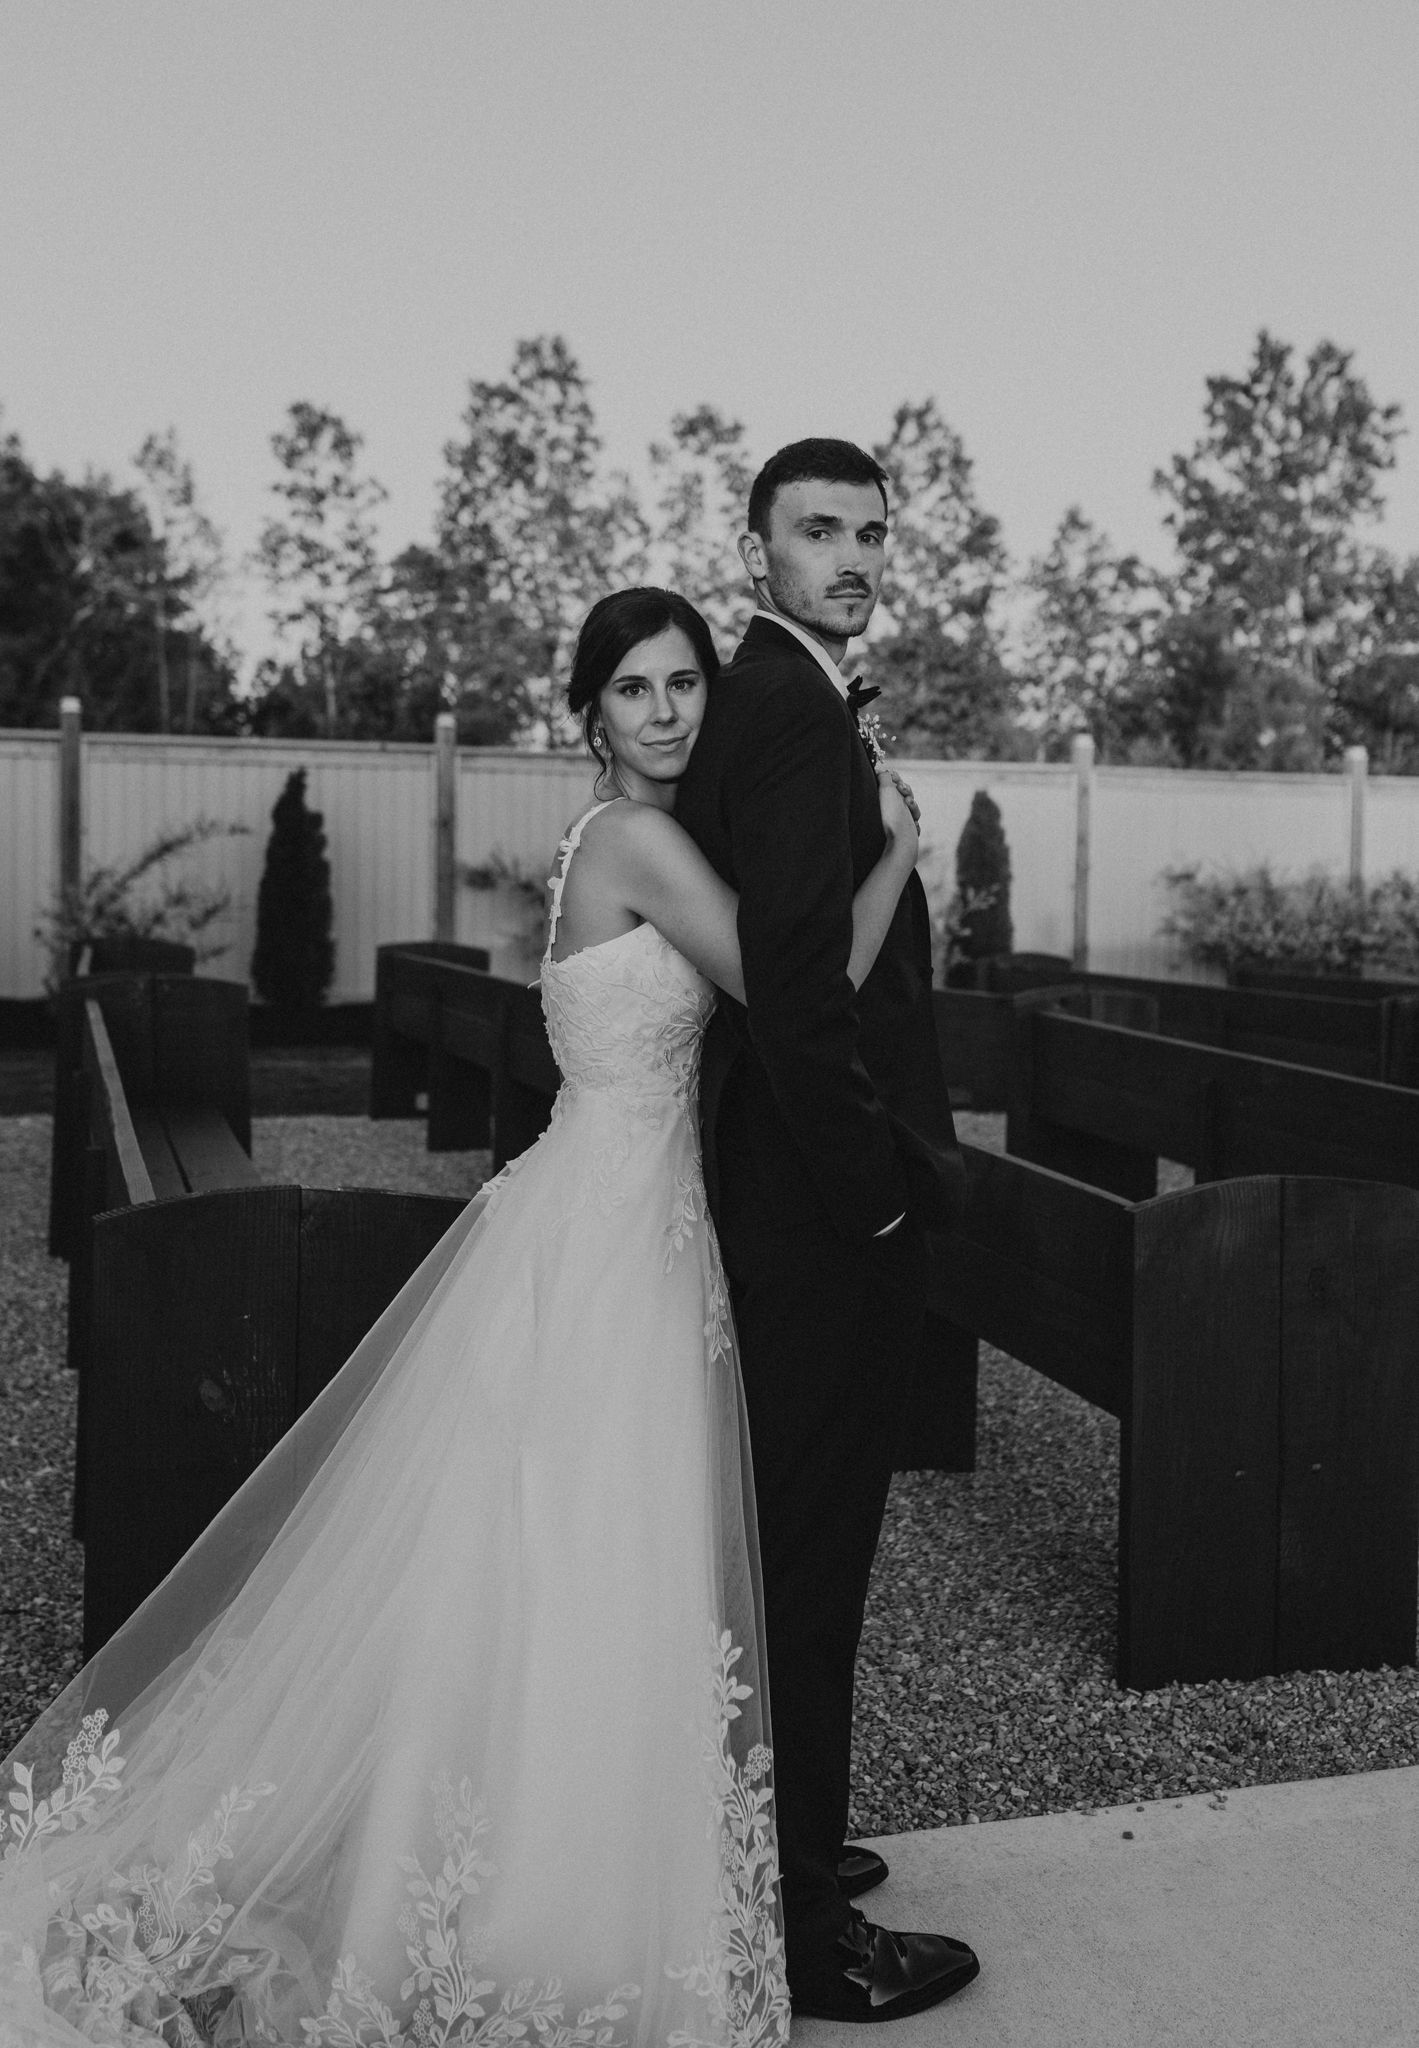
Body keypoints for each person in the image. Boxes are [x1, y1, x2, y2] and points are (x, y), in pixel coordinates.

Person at [0, 587, 920, 2048]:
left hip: (598, 1209)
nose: (670, 711)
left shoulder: (602, 837)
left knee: (538, 1550)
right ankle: (555, 1896)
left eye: (687, 684)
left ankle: (548, 1847)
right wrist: (896, 860)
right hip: (619, 1235)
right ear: (592, 715)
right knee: (590, 1544)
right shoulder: (638, 842)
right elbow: (799, 991)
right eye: (636, 690)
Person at [673, 440, 980, 2021]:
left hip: (785, 1205)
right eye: (820, 531)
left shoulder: (783, 704)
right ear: (756, 552)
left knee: (788, 1553)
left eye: (872, 532)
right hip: (815, 1218)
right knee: (809, 1562)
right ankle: (799, 1937)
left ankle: (785, 1848)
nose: (855, 556)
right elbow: (799, 992)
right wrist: (871, 1199)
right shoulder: (791, 717)